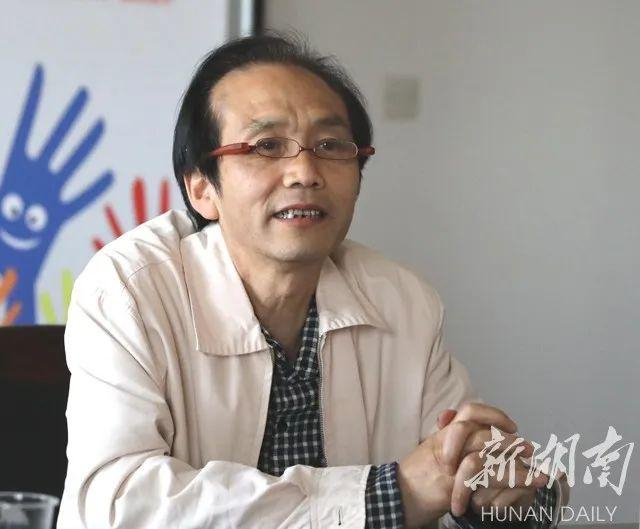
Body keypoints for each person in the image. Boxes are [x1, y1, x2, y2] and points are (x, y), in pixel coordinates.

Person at [58, 35, 567, 529]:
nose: (305, 171)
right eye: (266, 146)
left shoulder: (402, 300)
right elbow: (118, 503)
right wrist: (392, 495)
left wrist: (495, 493)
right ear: (201, 189)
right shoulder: (128, 291)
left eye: (330, 145)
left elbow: (458, 468)